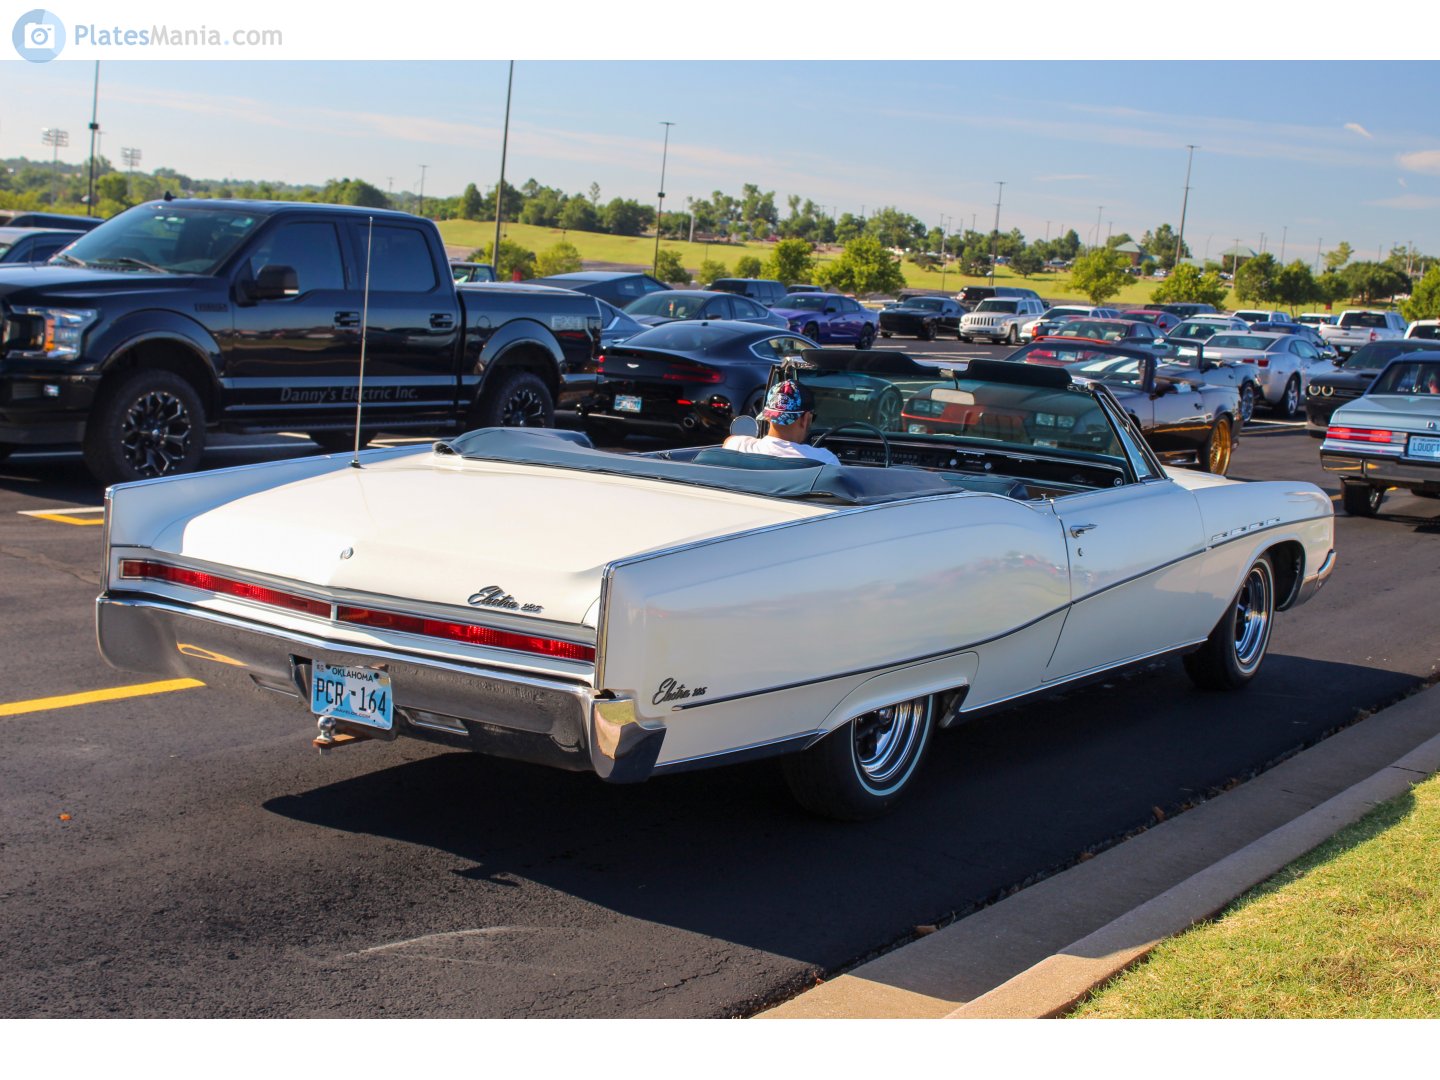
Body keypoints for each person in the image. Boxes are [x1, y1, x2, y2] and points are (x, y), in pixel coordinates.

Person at [723, 379, 840, 465]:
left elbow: (730, 441)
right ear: (806, 419)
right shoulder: (825, 460)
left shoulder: (736, 446)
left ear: (768, 416)